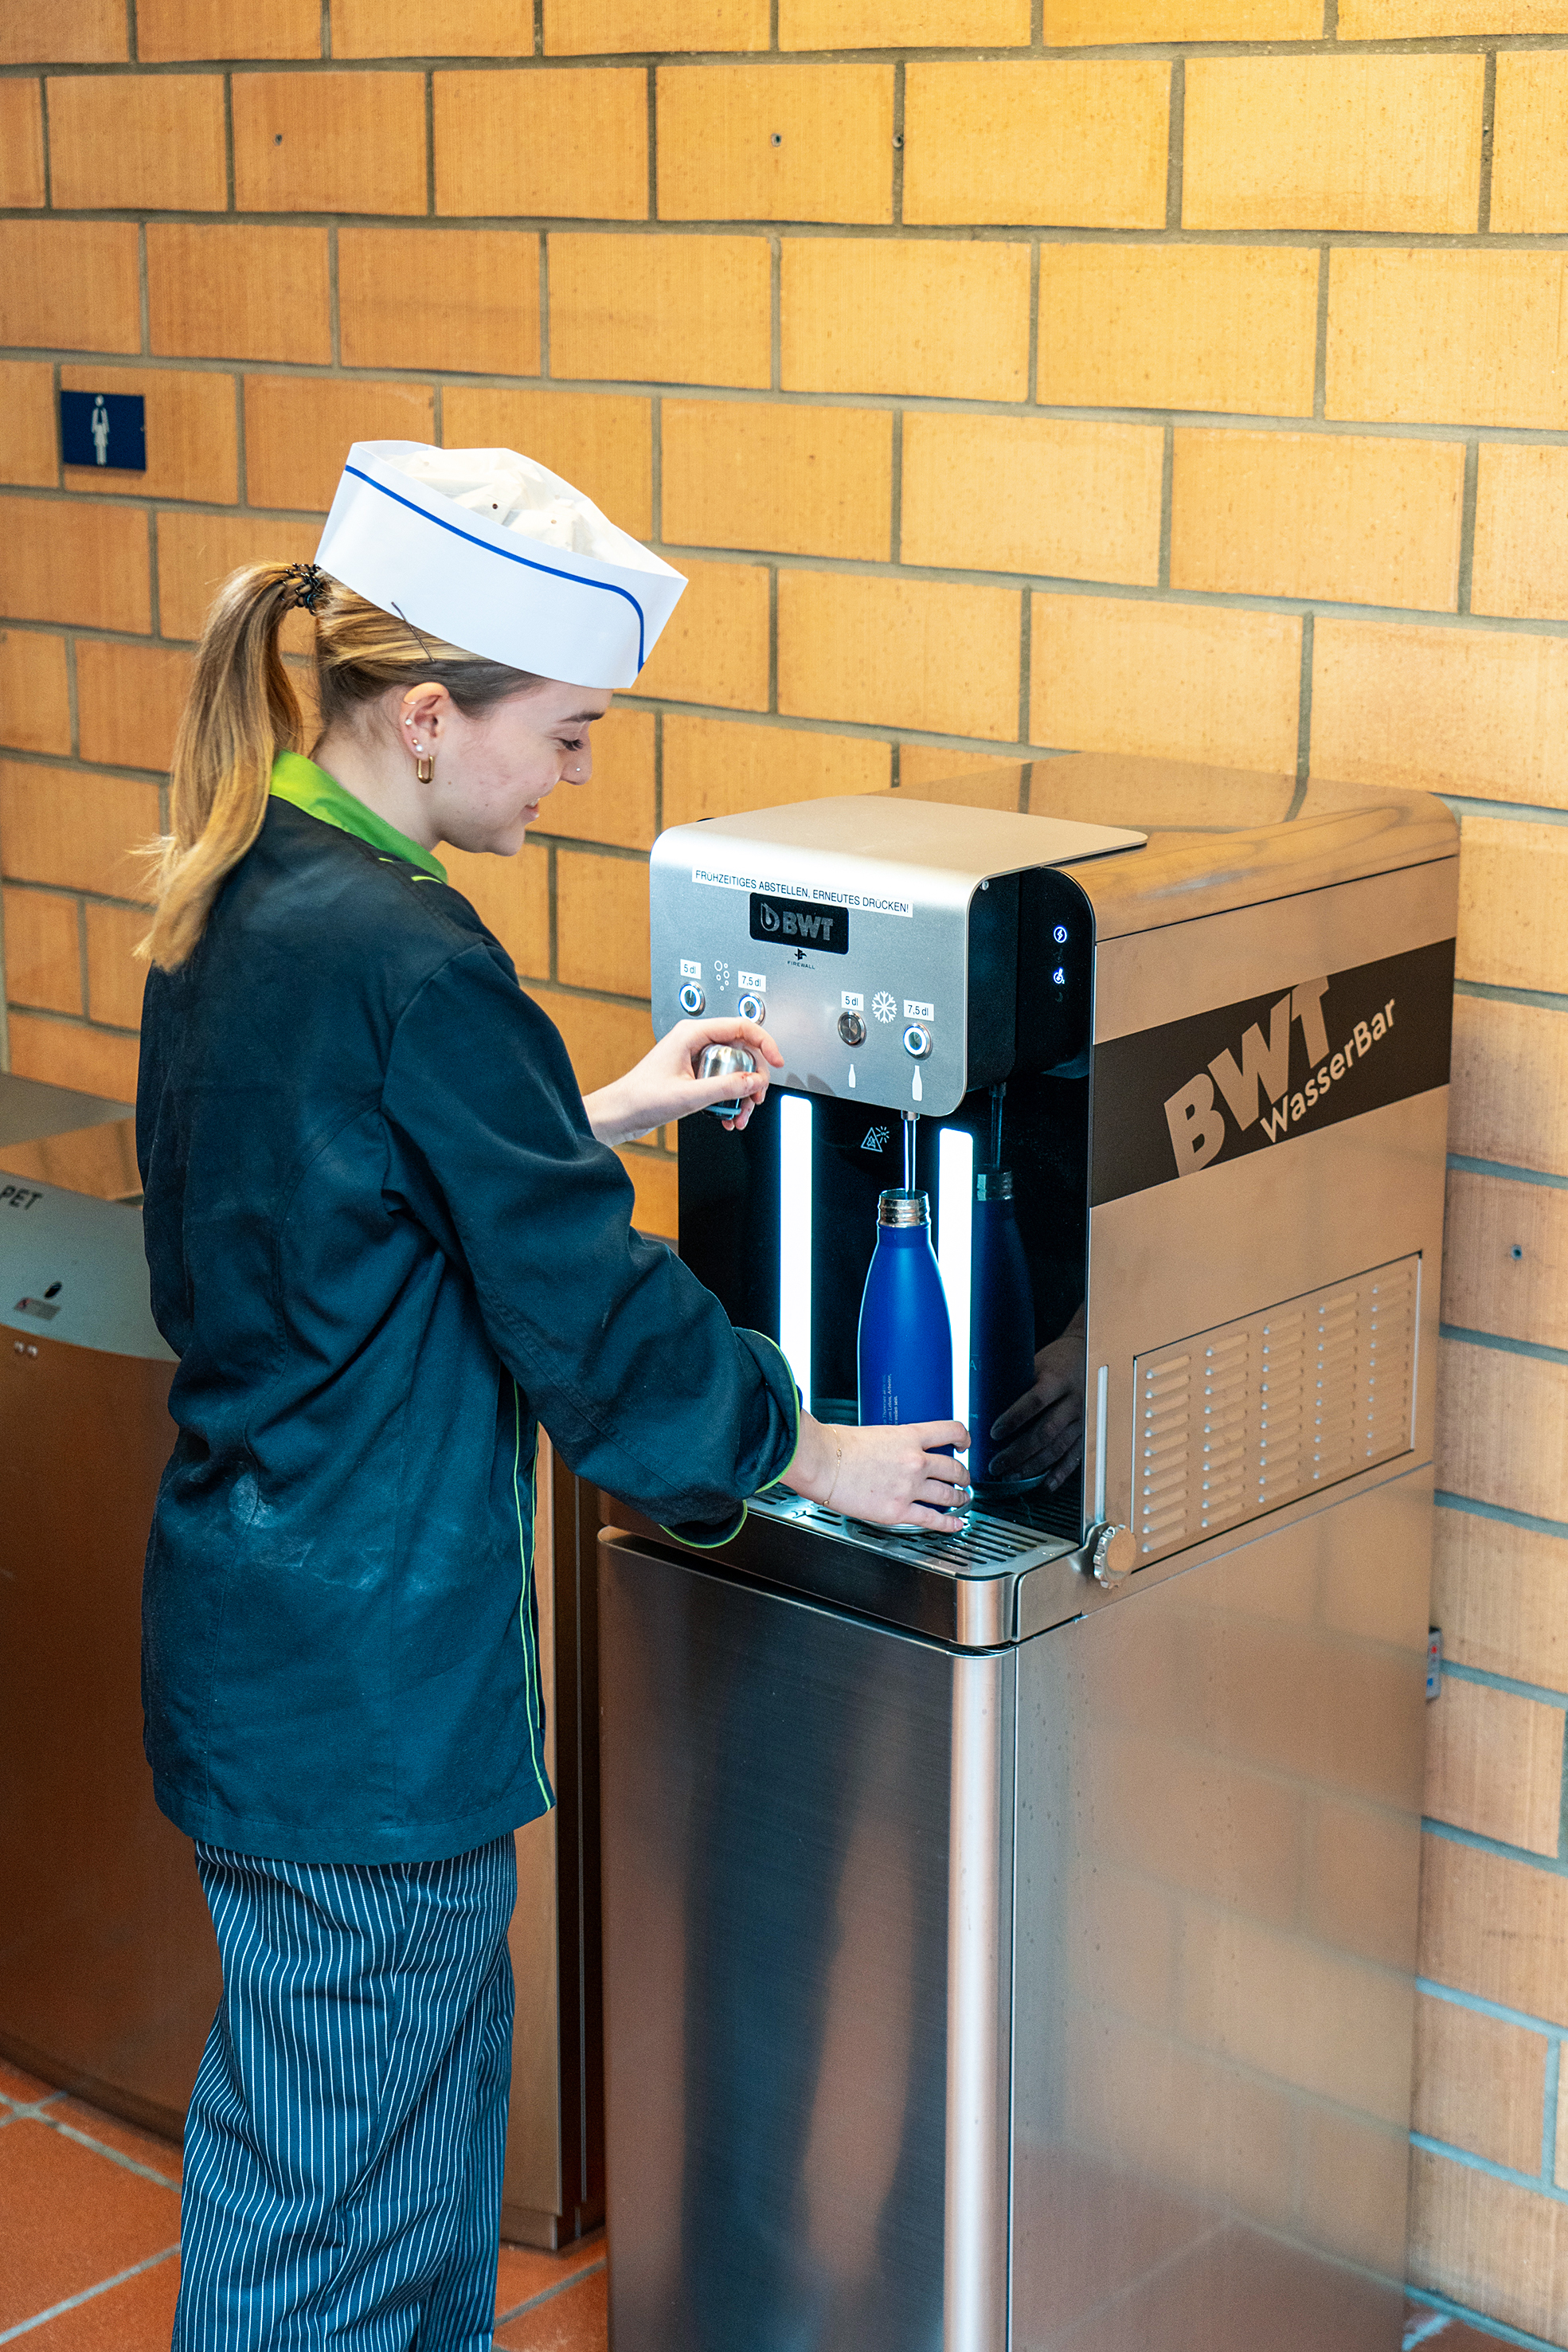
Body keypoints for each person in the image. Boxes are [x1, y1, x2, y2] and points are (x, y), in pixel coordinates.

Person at [135, 440, 969, 2350]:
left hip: (261, 1643)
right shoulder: (422, 959)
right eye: (567, 735)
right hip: (370, 1692)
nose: (577, 775)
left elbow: (335, 1193)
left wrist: (588, 1108)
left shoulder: (254, 876)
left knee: (387, 2154)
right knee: (335, 2215)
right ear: (431, 717)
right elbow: (591, 1325)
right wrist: (812, 1444)